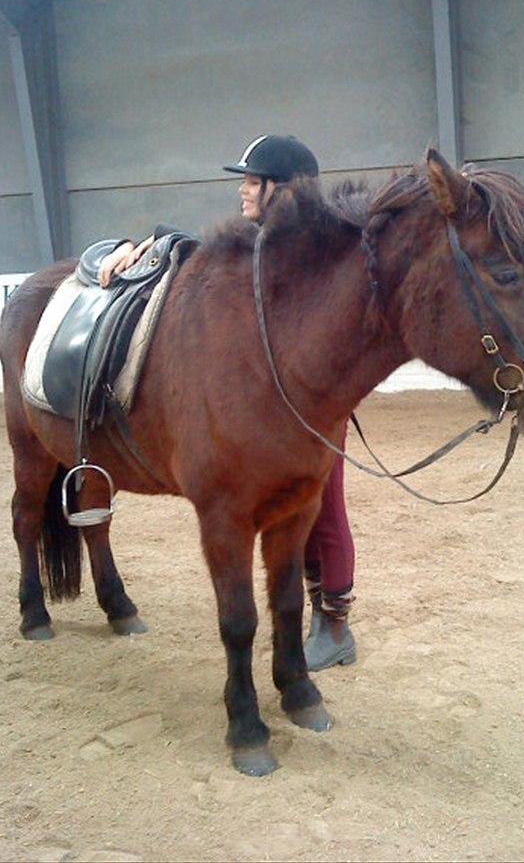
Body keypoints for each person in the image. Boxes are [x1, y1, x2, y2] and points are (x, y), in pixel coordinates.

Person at [99, 135, 357, 670]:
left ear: (282, 191)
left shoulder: (314, 252)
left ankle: (333, 626)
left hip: (313, 402)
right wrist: (160, 240)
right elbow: (224, 256)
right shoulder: (269, 239)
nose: (242, 190)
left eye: (252, 181)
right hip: (277, 401)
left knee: (325, 509)